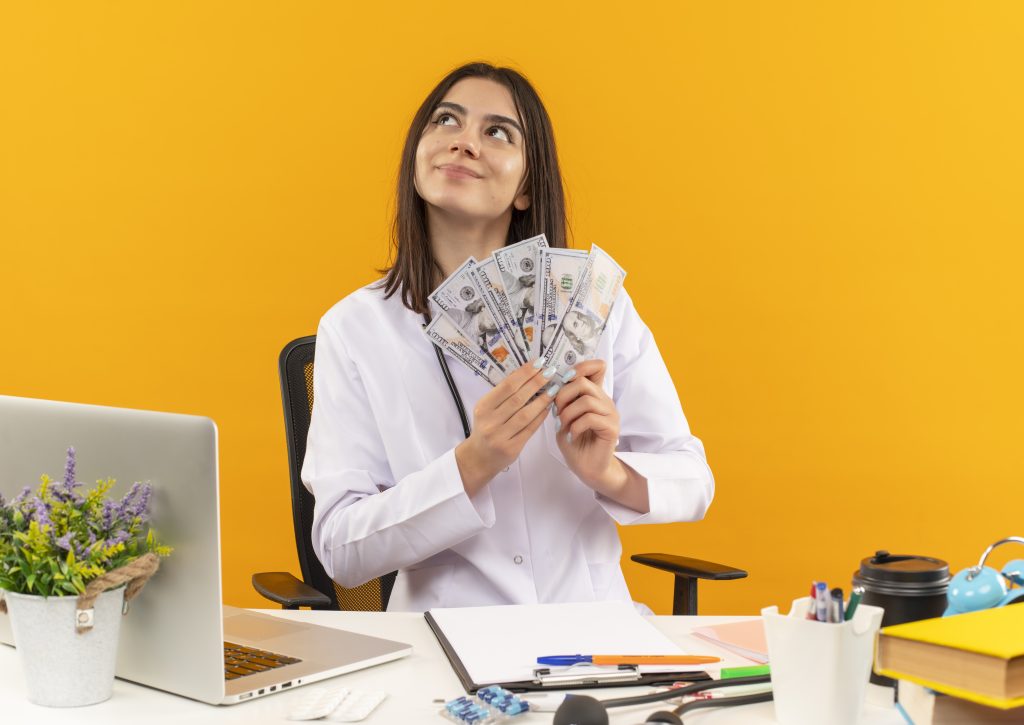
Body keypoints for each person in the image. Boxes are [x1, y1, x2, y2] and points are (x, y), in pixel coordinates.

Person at [301, 62, 715, 612]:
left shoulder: (595, 305)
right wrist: (473, 462)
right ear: (417, 158)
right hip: (446, 640)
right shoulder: (355, 328)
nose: (465, 143)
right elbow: (340, 548)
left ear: (525, 188)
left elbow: (692, 479)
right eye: (445, 121)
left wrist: (606, 471)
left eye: (498, 132)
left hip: (591, 628)